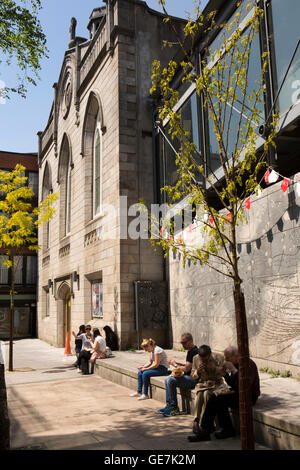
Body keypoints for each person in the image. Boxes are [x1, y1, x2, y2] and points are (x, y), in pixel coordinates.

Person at [191, 346, 261, 441]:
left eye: (227, 357)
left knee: (218, 399)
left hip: (248, 396)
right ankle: (210, 429)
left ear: (236, 356)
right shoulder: (234, 363)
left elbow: (245, 386)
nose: (226, 360)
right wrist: (225, 375)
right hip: (237, 393)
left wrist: (234, 371)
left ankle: (212, 430)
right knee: (215, 397)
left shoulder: (248, 364)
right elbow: (233, 383)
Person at [157, 333, 199, 417]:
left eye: (184, 343)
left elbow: (186, 369)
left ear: (190, 341)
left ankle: (174, 407)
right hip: (189, 377)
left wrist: (174, 365)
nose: (182, 345)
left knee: (170, 380)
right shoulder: (191, 351)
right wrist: (176, 363)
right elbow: (188, 365)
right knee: (167, 379)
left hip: (194, 380)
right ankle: (169, 406)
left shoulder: (194, 352)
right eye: (181, 343)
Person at [188, 344, 224, 439]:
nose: (204, 361)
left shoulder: (218, 357)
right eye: (202, 359)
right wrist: (198, 372)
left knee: (207, 394)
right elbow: (192, 375)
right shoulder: (195, 358)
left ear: (210, 354)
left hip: (216, 384)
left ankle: (213, 423)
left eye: (206, 359)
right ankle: (196, 421)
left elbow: (224, 373)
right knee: (200, 393)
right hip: (203, 384)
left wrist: (214, 369)